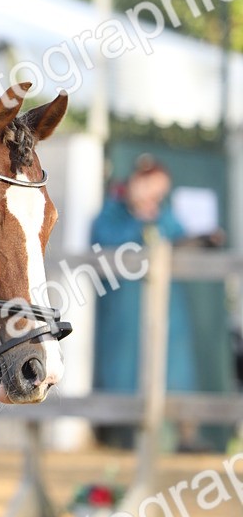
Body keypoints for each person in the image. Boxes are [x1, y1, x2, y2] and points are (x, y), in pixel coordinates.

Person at [90, 154, 198, 448]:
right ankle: (118, 438)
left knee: (173, 371)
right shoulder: (111, 213)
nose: (154, 195)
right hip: (124, 314)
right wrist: (141, 224)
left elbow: (176, 236)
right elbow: (108, 244)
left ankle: (183, 437)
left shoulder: (164, 213)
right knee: (123, 372)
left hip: (166, 314)